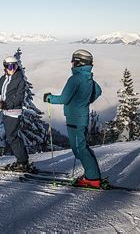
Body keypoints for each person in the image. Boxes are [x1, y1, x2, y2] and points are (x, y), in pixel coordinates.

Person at [43, 49, 103, 188]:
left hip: (75, 118)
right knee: (81, 148)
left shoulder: (75, 79)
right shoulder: (88, 78)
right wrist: (85, 101)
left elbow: (64, 98)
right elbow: (98, 90)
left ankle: (93, 178)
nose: (71, 64)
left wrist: (49, 98)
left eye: (73, 61)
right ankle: (93, 174)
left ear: (78, 62)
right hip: (82, 117)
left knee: (79, 149)